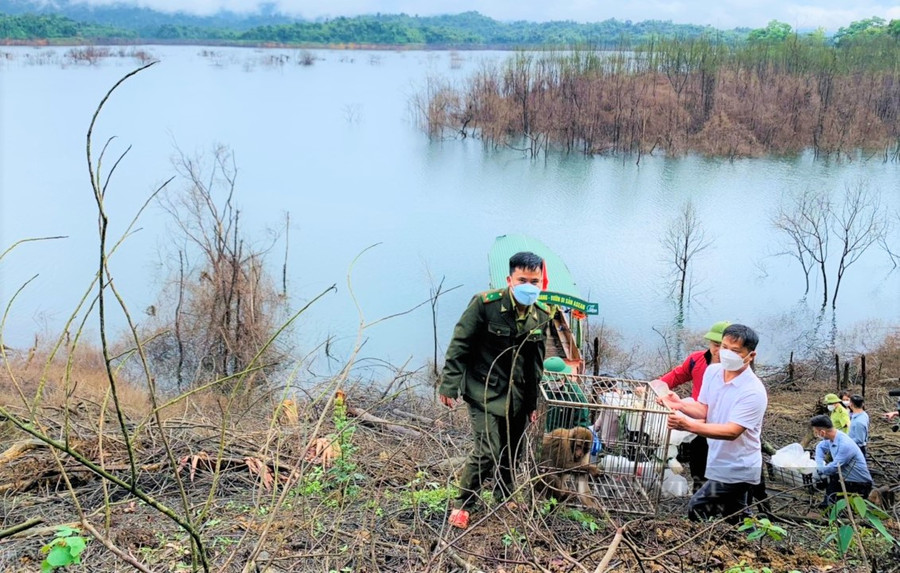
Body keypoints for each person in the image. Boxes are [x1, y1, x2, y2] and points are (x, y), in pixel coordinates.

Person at [439, 251, 552, 529]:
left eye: (534, 281)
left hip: (517, 395)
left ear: (542, 282)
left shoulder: (541, 314)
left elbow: (534, 366)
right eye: (523, 279)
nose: (529, 286)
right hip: (483, 390)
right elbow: (460, 344)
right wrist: (449, 384)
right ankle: (464, 503)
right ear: (510, 279)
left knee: (514, 448)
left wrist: (531, 405)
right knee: (488, 449)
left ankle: (505, 493)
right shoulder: (485, 305)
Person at [662, 324, 768, 523]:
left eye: (735, 351)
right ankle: (749, 547)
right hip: (718, 458)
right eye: (724, 347)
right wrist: (679, 404)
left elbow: (732, 431)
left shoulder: (753, 391)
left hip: (739, 465)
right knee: (735, 516)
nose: (726, 353)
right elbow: (704, 409)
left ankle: (702, 547)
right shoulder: (713, 372)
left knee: (697, 507)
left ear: (750, 356)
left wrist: (687, 425)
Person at [654, 320, 729, 492]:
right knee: (698, 458)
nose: (718, 350)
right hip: (697, 417)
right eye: (715, 345)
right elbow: (677, 375)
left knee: (720, 464)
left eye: (723, 346)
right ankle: (699, 496)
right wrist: (654, 387)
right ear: (710, 343)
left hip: (720, 423)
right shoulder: (697, 360)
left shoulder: (733, 371)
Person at [811, 414, 873, 508]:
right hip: (843, 478)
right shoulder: (832, 438)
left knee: (839, 509)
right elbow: (820, 446)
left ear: (822, 432)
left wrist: (820, 469)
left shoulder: (844, 444)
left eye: (816, 432)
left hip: (858, 484)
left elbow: (832, 468)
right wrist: (819, 462)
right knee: (826, 504)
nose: (817, 435)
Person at [542, 356, 591, 432]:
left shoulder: (577, 396)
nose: (553, 384)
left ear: (564, 376)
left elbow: (582, 425)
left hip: (566, 437)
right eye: (550, 381)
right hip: (550, 431)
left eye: (557, 380)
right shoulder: (546, 385)